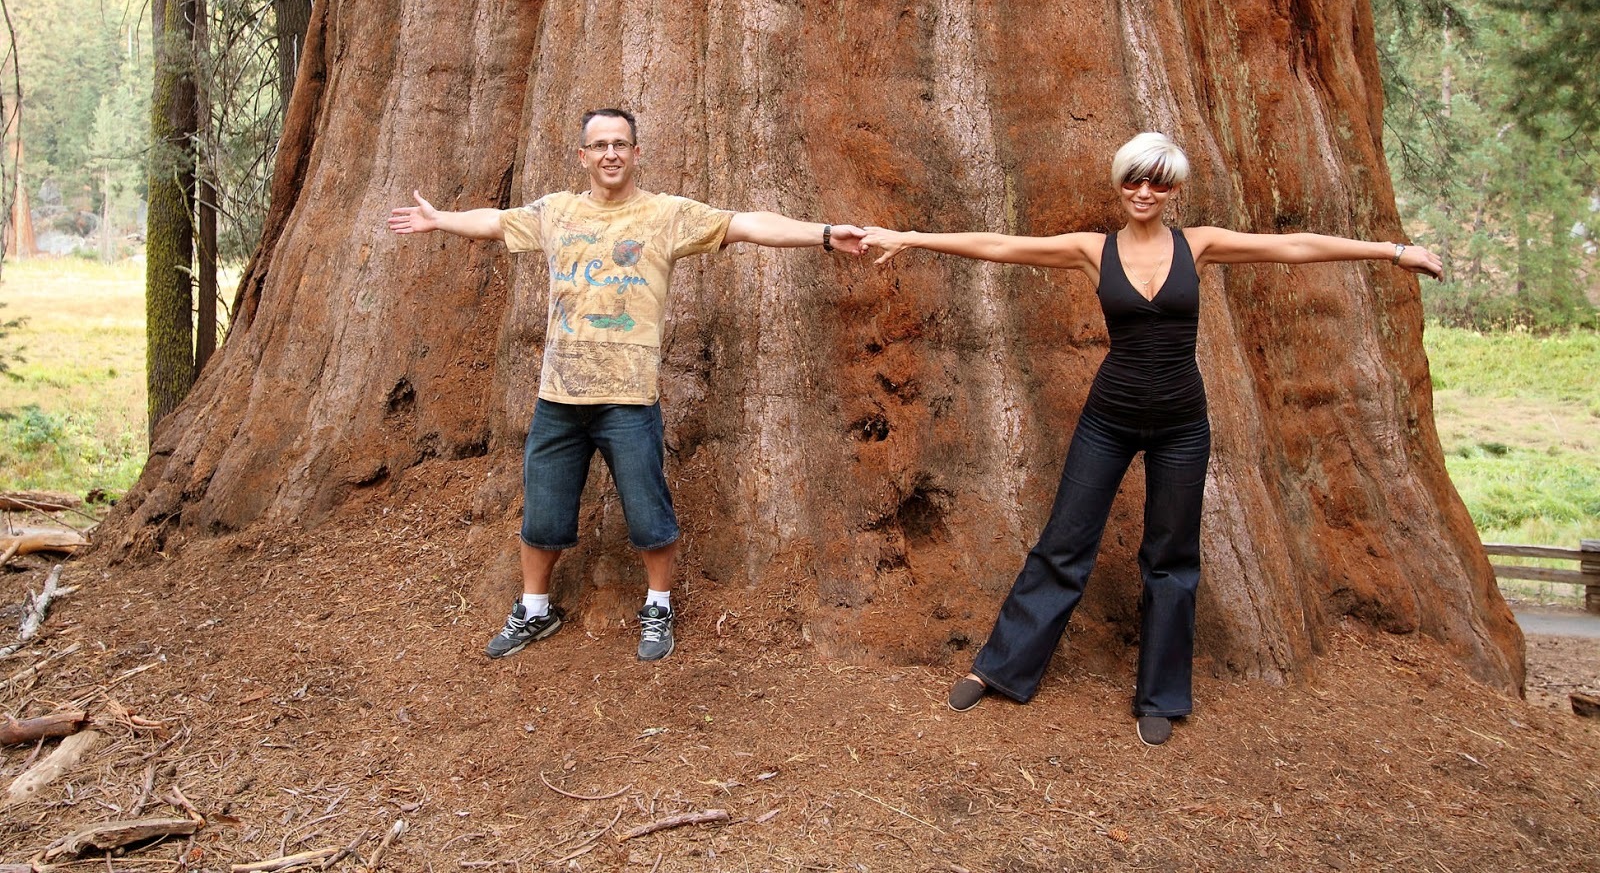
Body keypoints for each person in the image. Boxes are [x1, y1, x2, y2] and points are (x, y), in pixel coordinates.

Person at [860, 132, 1441, 746]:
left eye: (1158, 182)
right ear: (1119, 185)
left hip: (1183, 425)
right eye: (1134, 180)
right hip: (1107, 418)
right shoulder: (1093, 249)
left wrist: (1392, 251)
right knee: (1065, 542)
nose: (1144, 192)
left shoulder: (1201, 245)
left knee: (1172, 556)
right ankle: (999, 667)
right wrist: (910, 237)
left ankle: (1159, 696)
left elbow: (1293, 245)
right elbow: (999, 245)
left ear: (1173, 190)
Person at [388, 107, 865, 663]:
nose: (610, 153)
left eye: (621, 144)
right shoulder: (556, 213)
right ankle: (535, 610)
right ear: (583, 156)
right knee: (542, 514)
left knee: (648, 513)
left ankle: (658, 605)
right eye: (600, 144)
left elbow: (749, 224)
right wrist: (440, 219)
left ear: (637, 154)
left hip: (629, 400)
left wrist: (826, 235)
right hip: (558, 397)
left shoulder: (666, 216)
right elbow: (495, 221)